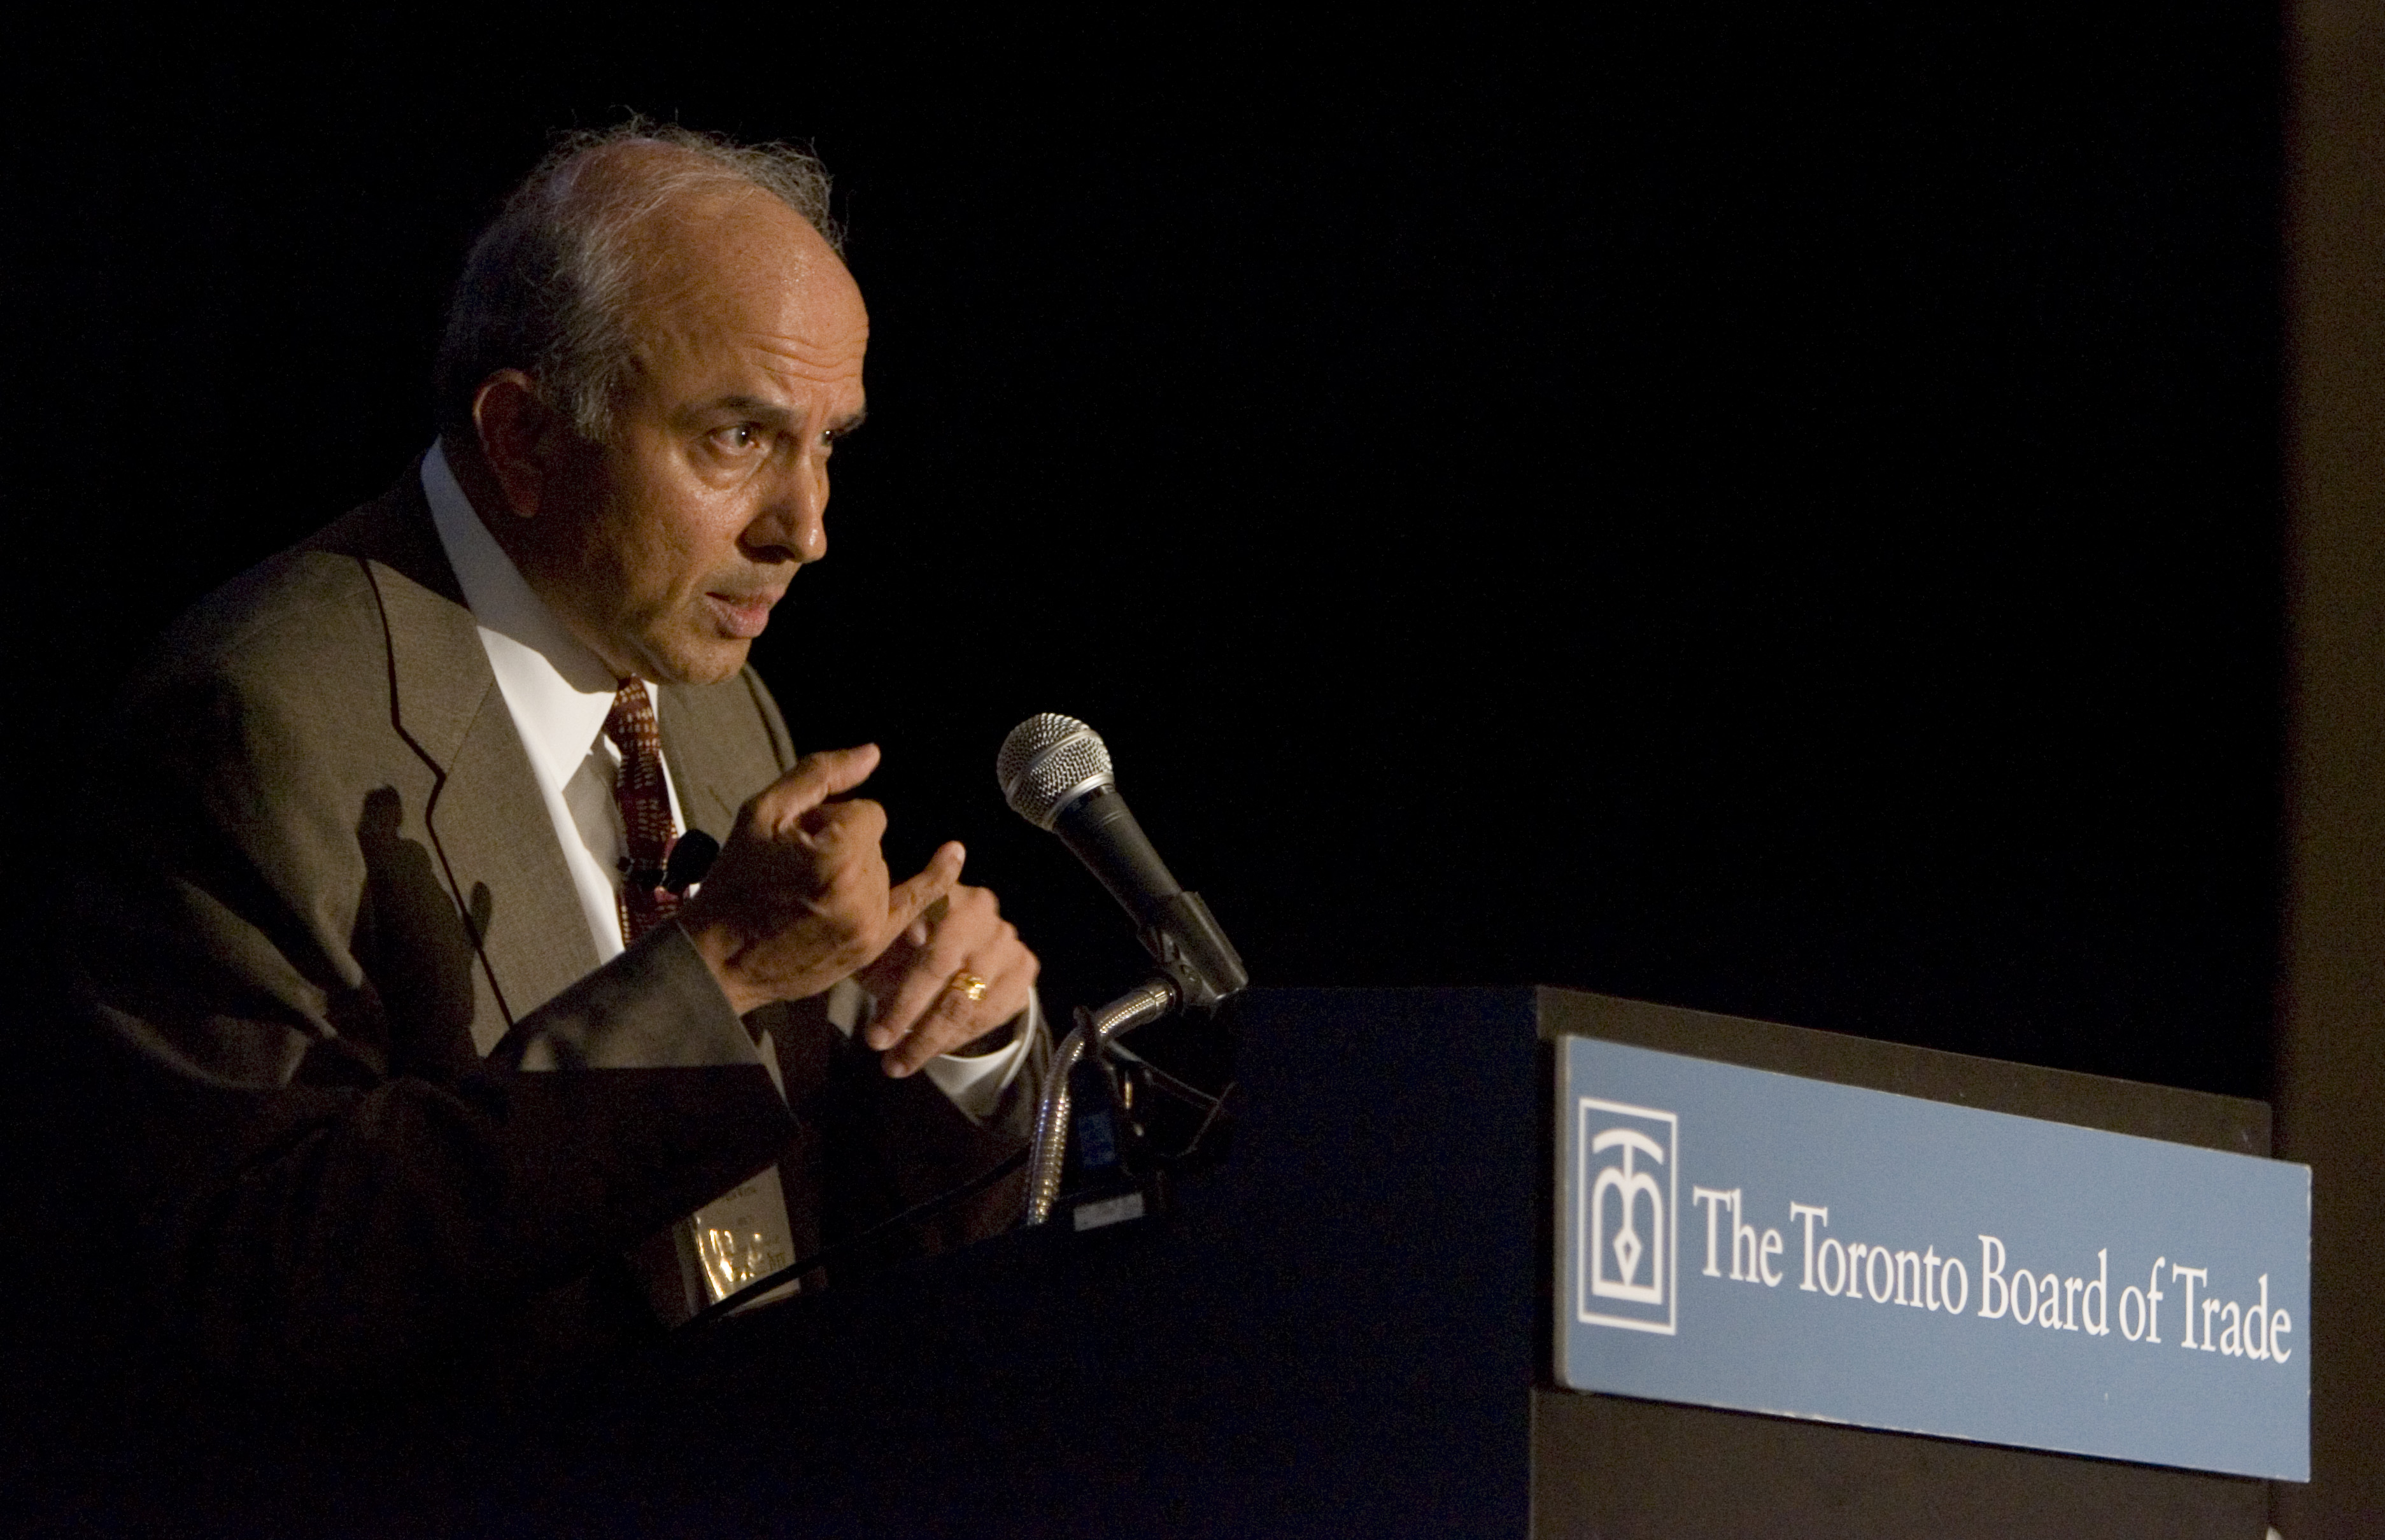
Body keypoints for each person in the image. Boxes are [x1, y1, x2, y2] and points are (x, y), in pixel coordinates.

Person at [67, 124, 1048, 1397]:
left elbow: (815, 1215)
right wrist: (722, 971)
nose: (805, 528)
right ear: (524, 437)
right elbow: (257, 1280)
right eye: (736, 438)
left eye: (827, 444)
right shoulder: (251, 719)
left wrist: (952, 1034)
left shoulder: (706, 692)